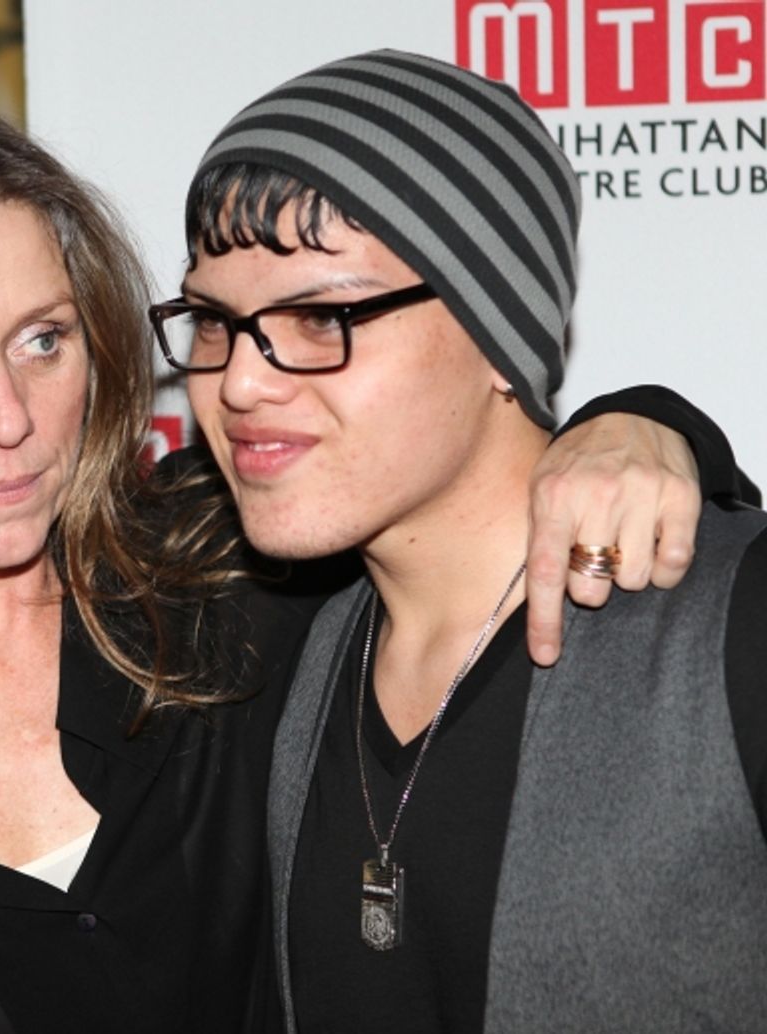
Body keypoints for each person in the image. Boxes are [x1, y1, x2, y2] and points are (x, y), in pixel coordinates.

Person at [0, 103, 744, 1034]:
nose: (8, 417)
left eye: (45, 339)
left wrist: (637, 423)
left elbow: (425, 456)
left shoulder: (226, 586)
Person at [166, 48, 767, 1032]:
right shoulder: (255, 643)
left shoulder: (733, 626)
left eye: (322, 315)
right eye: (213, 322)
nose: (239, 380)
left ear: (499, 333)